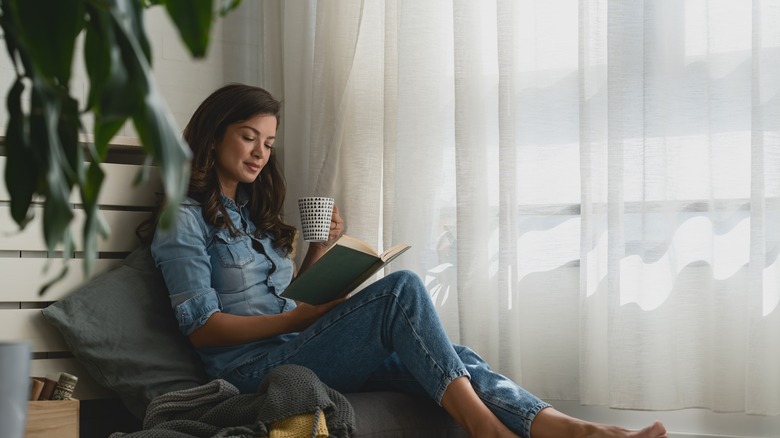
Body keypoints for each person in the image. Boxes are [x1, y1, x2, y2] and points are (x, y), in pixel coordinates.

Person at [150, 83, 668, 438]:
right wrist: (300, 318)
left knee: (454, 356)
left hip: (295, 344)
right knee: (402, 290)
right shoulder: (183, 220)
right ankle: (486, 429)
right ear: (215, 133)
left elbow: (290, 302)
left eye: (269, 142)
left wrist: (321, 251)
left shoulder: (252, 215)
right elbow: (203, 329)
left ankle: (576, 429)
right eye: (248, 137)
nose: (261, 153)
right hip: (250, 371)